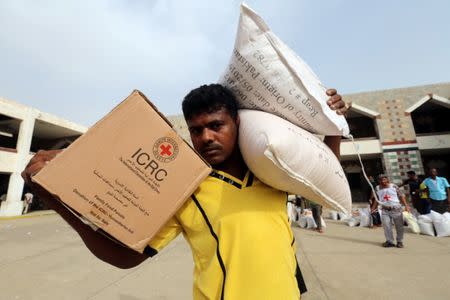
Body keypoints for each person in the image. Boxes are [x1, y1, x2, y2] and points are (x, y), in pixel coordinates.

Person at [22, 84, 348, 299]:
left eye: (216, 126)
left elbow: (324, 174)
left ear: (236, 123)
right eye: (196, 129)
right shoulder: (185, 189)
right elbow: (125, 257)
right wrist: (53, 199)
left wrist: (333, 125)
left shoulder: (272, 175)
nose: (206, 137)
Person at [371, 174, 410, 248]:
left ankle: (399, 241)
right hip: (385, 210)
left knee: (399, 226)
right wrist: (373, 208)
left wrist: (406, 206)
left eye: (384, 179)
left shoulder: (393, 186)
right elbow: (376, 200)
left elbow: (401, 195)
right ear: (378, 181)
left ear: (387, 179)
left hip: (396, 209)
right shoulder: (377, 188)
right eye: (381, 180)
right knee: (387, 226)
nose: (383, 181)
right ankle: (389, 241)